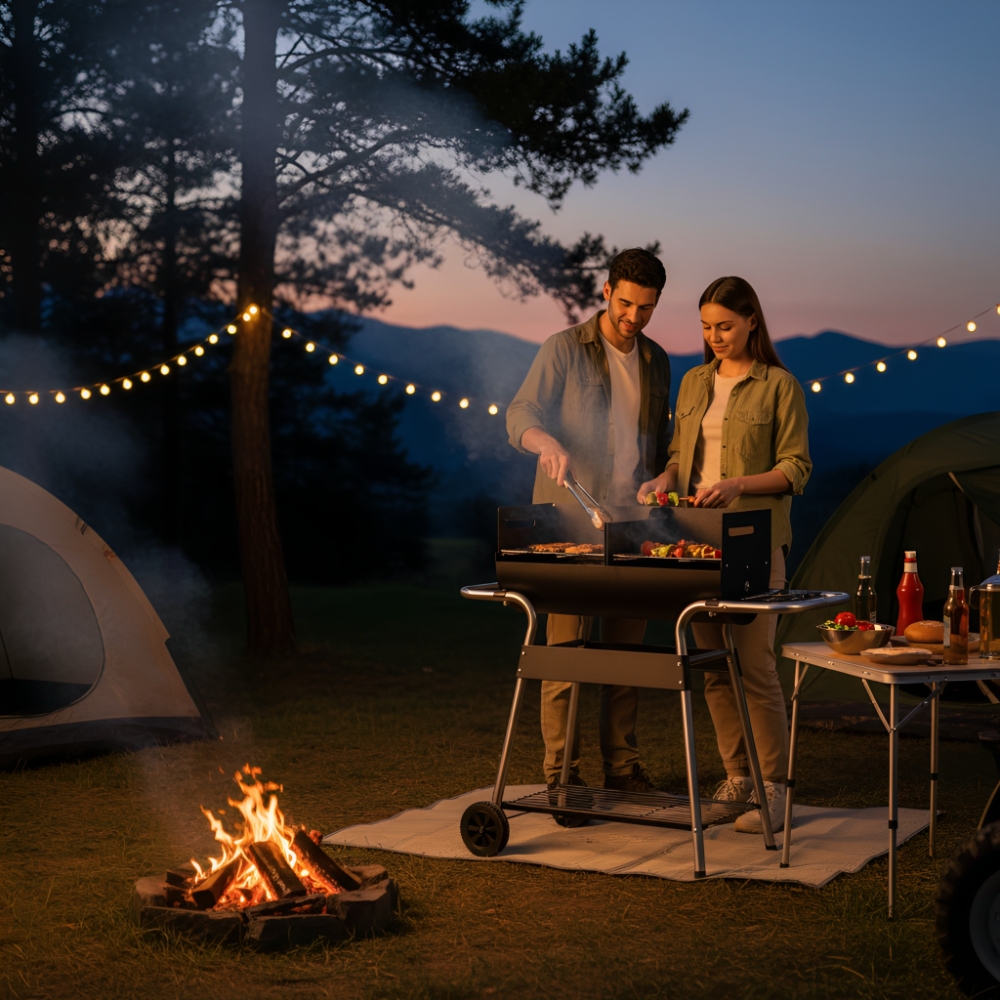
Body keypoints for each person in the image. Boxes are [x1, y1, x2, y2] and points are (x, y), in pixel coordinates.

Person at [638, 276, 811, 833]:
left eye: (725, 326)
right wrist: (662, 480)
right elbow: (679, 457)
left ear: (751, 321)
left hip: (756, 541)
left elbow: (796, 469)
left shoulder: (780, 386)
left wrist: (739, 485)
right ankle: (738, 778)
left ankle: (775, 788)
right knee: (713, 667)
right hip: (697, 539)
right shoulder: (694, 383)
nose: (714, 336)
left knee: (755, 665)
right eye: (707, 327)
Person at [506, 248, 672, 793]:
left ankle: (621, 769)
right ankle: (562, 778)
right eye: (625, 303)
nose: (633, 317)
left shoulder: (657, 361)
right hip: (571, 523)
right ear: (606, 291)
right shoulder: (564, 348)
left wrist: (664, 480)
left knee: (626, 657)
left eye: (646, 308)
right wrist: (546, 443)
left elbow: (662, 443)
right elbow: (520, 414)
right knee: (566, 656)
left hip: (633, 523)